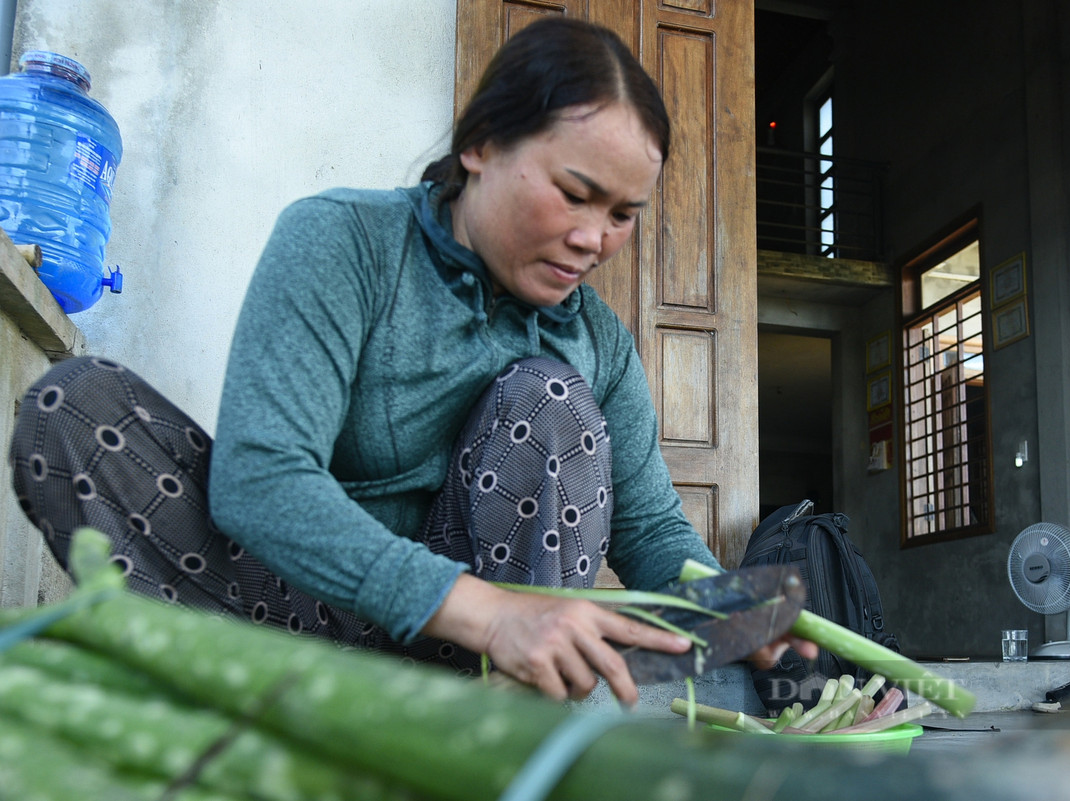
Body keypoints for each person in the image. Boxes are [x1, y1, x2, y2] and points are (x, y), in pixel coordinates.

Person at [9, 17, 814, 706]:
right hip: (289, 608)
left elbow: (648, 528)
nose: (594, 238)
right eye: (574, 193)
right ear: (481, 145)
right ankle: (244, 698)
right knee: (72, 404)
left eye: (622, 214)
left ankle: (497, 729)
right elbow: (260, 480)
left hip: (471, 661)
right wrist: (480, 609)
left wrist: (736, 616)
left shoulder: (593, 336)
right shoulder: (345, 242)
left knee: (549, 399)